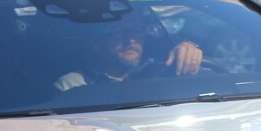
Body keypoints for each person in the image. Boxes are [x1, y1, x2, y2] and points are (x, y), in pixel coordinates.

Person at [55, 19, 203, 91]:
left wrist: (190, 49)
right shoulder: (74, 85)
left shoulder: (155, 71)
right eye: (119, 33)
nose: (130, 40)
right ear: (97, 43)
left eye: (136, 31)